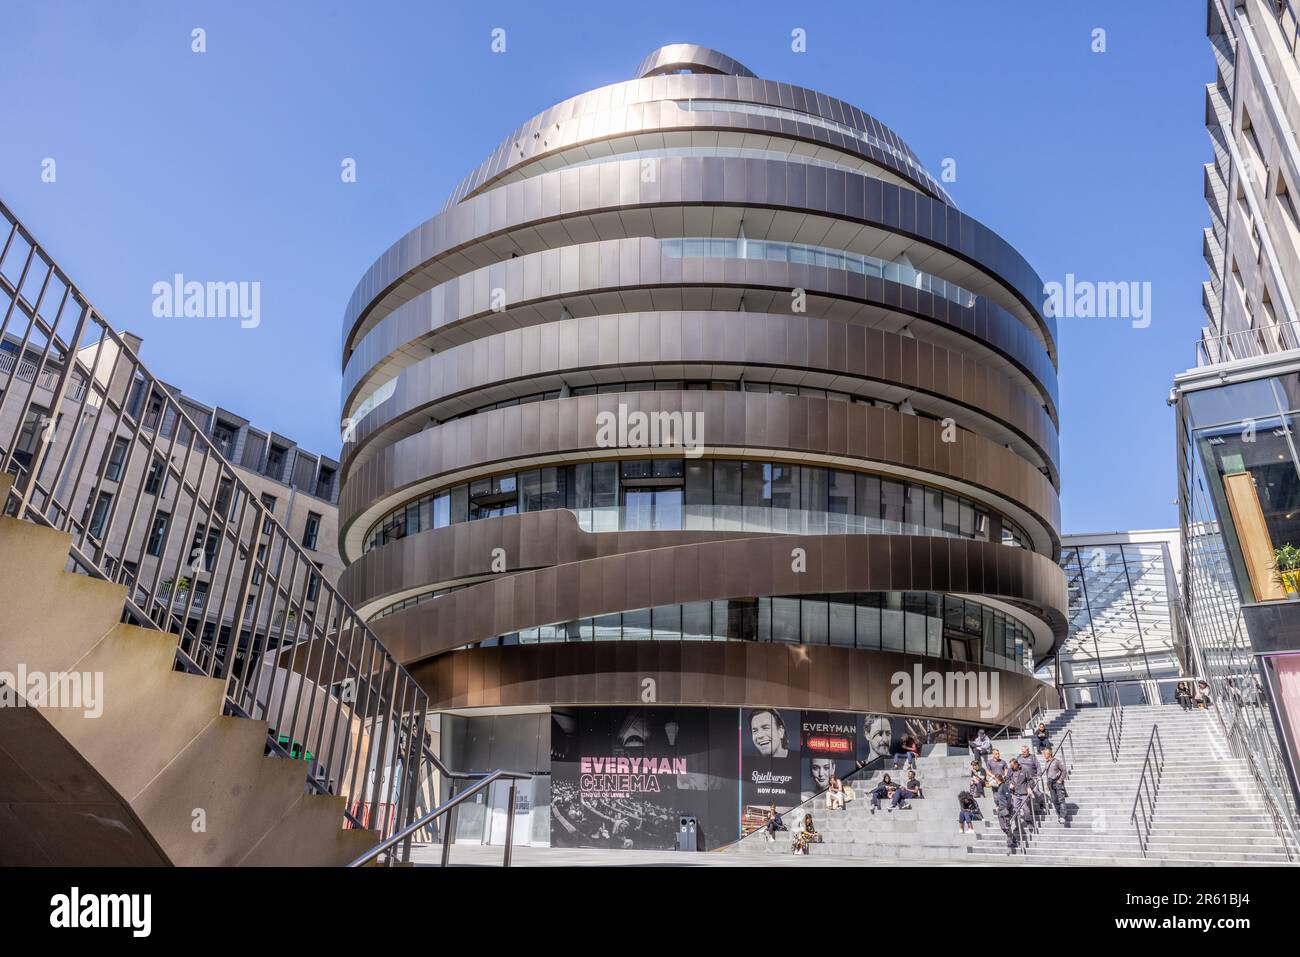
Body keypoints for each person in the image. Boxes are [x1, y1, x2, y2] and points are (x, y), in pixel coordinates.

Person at [1043, 747, 1069, 825]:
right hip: (1051, 783)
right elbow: (1047, 774)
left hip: (1057, 783)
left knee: (1061, 800)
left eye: (1045, 754)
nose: (1044, 755)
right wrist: (1047, 783)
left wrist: (1060, 780)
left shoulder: (1057, 761)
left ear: (1049, 754)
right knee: (1054, 800)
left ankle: (1062, 816)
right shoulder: (1046, 762)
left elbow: (1064, 770)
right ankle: (1059, 815)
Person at [994, 776, 1019, 855]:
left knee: (1007, 827)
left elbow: (1008, 797)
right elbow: (999, 798)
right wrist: (997, 805)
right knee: (1003, 827)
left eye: (994, 779)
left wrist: (1007, 808)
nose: (994, 780)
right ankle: (1013, 838)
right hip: (1000, 810)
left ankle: (1009, 846)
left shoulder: (1004, 786)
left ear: (997, 779)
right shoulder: (998, 787)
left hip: (1005, 809)